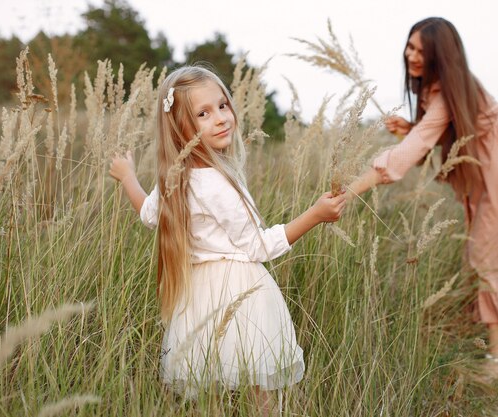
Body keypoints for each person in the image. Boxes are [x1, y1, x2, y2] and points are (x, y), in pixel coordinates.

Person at [348, 17, 498, 379]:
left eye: (422, 50)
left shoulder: (447, 89)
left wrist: (352, 188)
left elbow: (417, 147)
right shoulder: (444, 87)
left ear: (440, 56)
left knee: (485, 250)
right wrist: (412, 128)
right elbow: (439, 131)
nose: (411, 55)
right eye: (410, 46)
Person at [109, 66, 346, 411]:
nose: (220, 118)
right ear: (181, 129)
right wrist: (315, 215)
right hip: (241, 296)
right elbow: (259, 247)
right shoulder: (218, 183)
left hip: (198, 299)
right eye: (203, 114)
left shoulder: (176, 177)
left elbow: (148, 214)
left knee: (212, 394)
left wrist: (128, 177)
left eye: (222, 105)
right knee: (259, 391)